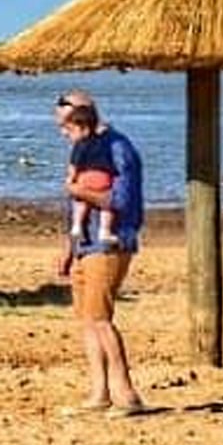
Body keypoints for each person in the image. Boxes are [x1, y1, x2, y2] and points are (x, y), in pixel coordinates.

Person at [54, 95, 147, 417]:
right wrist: (69, 248)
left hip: (109, 244)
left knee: (100, 318)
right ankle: (99, 393)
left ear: (81, 118)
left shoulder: (116, 148)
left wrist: (78, 191)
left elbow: (120, 200)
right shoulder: (84, 148)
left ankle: (127, 395)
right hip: (85, 244)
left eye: (65, 125)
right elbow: (76, 204)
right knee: (87, 320)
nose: (62, 133)